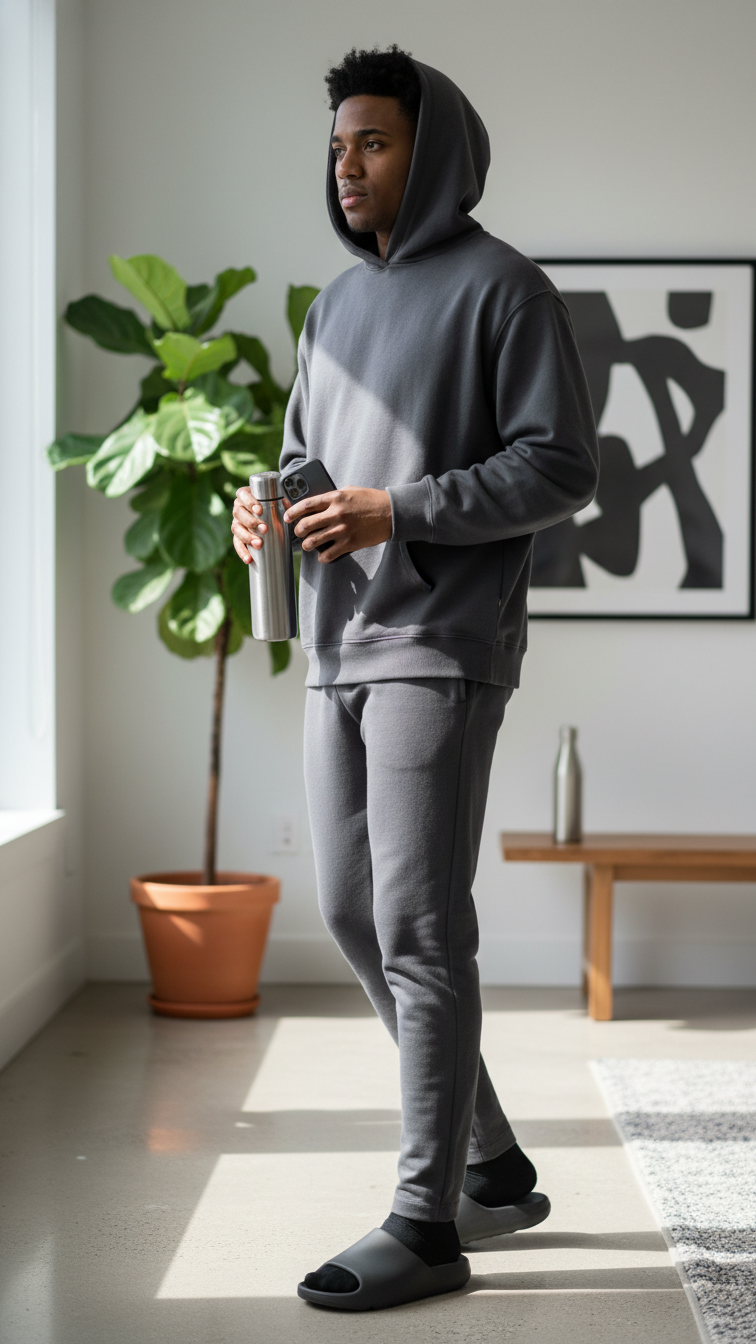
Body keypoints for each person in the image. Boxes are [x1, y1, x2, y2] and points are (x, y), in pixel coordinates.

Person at [232, 46, 599, 1312]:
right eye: (338, 144)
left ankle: (426, 1223)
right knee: (350, 913)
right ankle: (492, 1165)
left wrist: (403, 509)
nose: (347, 165)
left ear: (430, 151)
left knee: (423, 928)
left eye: (373, 143)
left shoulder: (507, 291)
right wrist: (263, 511)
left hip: (443, 643)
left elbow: (562, 467)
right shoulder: (334, 308)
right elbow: (302, 457)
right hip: (339, 641)